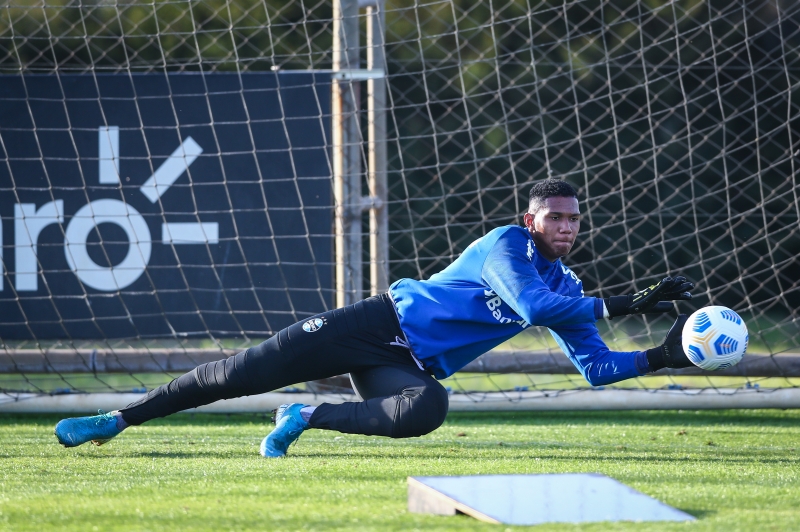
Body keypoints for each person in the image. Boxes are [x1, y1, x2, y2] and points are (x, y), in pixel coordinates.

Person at [54, 179, 695, 457]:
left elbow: (596, 368)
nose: (566, 227)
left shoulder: (571, 284)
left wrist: (665, 356)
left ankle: (305, 416)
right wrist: (625, 302)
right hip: (375, 323)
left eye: (574, 219)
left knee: (428, 410)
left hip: (406, 365)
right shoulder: (508, 245)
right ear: (532, 220)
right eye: (555, 217)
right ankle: (116, 419)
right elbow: (533, 308)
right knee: (241, 372)